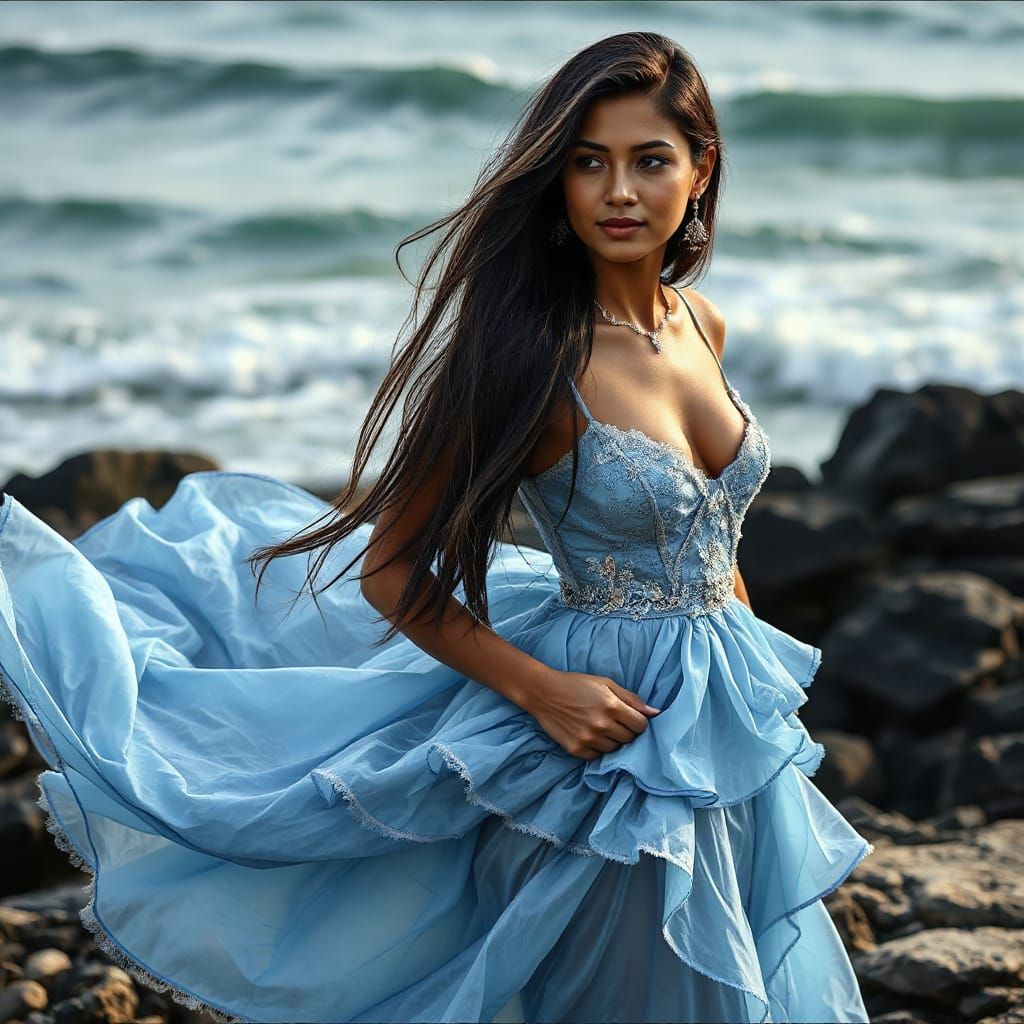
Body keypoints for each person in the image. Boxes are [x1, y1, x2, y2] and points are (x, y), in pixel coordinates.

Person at [0, 30, 874, 1024]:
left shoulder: (699, 324)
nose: (619, 192)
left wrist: (755, 681)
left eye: (649, 160)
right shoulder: (526, 358)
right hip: (604, 733)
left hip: (723, 712)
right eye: (588, 162)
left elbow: (714, 539)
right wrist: (542, 692)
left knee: (738, 971)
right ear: (557, 178)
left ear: (700, 167)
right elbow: (391, 568)